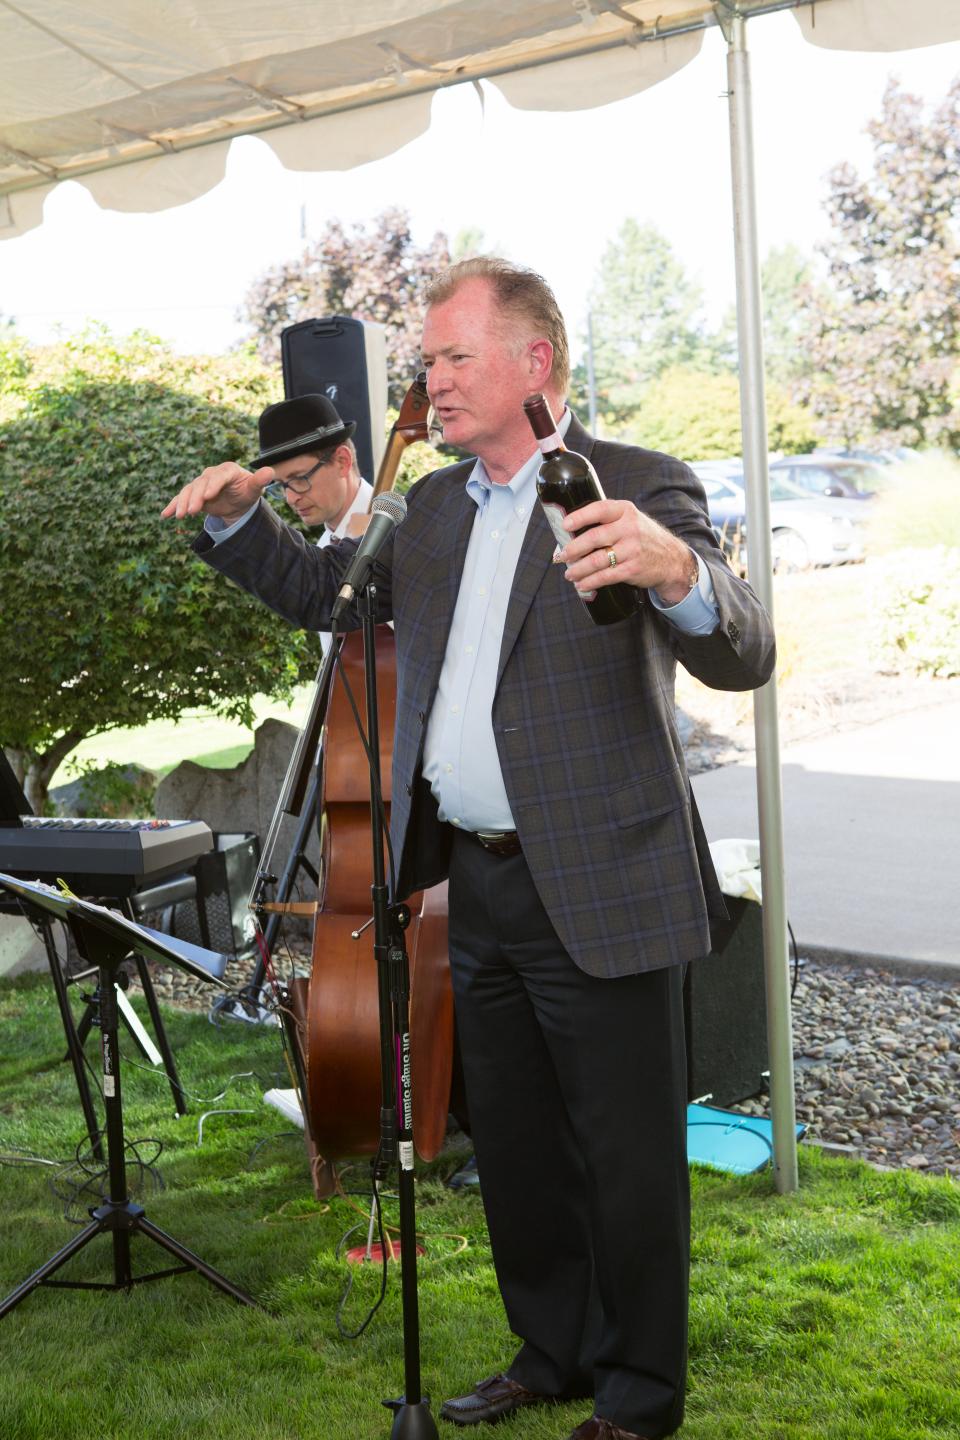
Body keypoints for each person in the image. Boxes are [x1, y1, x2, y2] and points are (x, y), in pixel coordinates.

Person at [163, 257, 775, 1440]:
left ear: (532, 362)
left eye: (452, 358)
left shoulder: (638, 483)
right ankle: (551, 1352)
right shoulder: (433, 510)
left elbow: (741, 649)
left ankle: (640, 1398)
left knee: (626, 1155)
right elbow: (328, 597)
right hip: (474, 882)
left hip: (604, 876)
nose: (428, 382)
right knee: (521, 1149)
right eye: (428, 360)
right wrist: (240, 523)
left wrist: (681, 572)